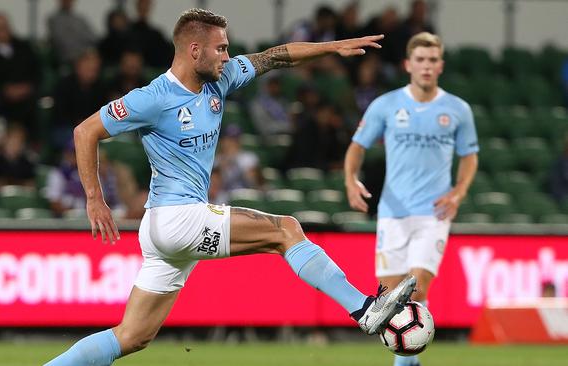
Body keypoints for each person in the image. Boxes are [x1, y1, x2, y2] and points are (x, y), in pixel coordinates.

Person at [45, 9, 415, 366]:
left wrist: (331, 47)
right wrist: (95, 199)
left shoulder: (219, 80)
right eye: (220, 48)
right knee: (286, 230)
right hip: (177, 218)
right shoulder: (153, 97)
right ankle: (366, 309)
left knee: (131, 337)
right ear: (194, 50)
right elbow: (85, 131)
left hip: (163, 231)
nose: (227, 56)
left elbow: (274, 57)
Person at [344, 32, 479, 366]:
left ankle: (401, 364)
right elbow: (358, 146)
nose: (426, 66)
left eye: (432, 60)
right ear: (408, 64)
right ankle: (410, 361)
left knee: (415, 292)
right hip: (393, 212)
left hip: (433, 214)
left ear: (441, 65)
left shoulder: (457, 109)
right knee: (390, 303)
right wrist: (349, 179)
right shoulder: (386, 105)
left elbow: (470, 156)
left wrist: (458, 192)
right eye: (420, 59)